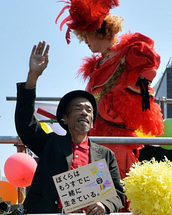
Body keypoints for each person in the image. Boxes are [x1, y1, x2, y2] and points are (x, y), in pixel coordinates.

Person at [56, 1, 164, 181]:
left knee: (117, 195)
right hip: (92, 140)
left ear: (96, 31)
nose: (86, 42)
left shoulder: (128, 54)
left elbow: (148, 67)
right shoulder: (95, 66)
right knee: (92, 196)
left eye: (86, 36)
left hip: (117, 140)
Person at [15, 41, 124, 214]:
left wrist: (105, 205)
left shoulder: (105, 155)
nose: (84, 113)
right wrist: (32, 77)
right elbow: (25, 125)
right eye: (77, 109)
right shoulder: (50, 144)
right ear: (64, 119)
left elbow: (118, 195)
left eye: (89, 110)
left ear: (93, 122)